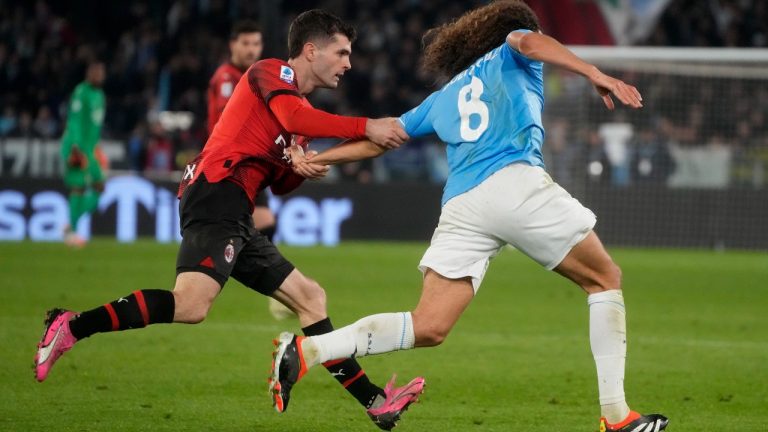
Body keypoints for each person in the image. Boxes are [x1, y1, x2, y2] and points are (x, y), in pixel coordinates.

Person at [271, 2, 669, 431]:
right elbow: (529, 42)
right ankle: (617, 417)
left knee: (429, 326)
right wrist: (594, 72)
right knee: (604, 278)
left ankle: (307, 351)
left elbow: (384, 138)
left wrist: (318, 159)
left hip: (463, 205)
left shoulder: (444, 97)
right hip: (514, 182)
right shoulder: (513, 48)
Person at [35, 10, 422, 431]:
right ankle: (72, 326)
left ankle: (375, 402)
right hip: (216, 190)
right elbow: (294, 119)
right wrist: (366, 126)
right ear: (311, 51)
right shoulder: (269, 72)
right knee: (191, 304)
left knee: (311, 298)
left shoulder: (302, 117)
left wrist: (301, 167)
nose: (348, 63)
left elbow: (282, 184)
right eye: (342, 53)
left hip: (237, 208)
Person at [206, 20, 289, 319]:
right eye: (246, 43)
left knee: (261, 224)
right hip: (231, 165)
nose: (252, 49)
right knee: (259, 224)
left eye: (256, 43)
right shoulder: (227, 78)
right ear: (233, 45)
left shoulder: (253, 77)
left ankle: (273, 286)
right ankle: (273, 287)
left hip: (249, 164)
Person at [60, 61, 107, 247]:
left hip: (91, 149)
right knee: (78, 188)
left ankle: (70, 224)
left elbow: (95, 126)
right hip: (76, 147)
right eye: (96, 72)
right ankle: (71, 232)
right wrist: (75, 147)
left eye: (102, 73)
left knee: (99, 187)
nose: (100, 76)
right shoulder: (81, 92)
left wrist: (97, 149)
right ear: (89, 74)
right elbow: (75, 121)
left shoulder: (100, 95)